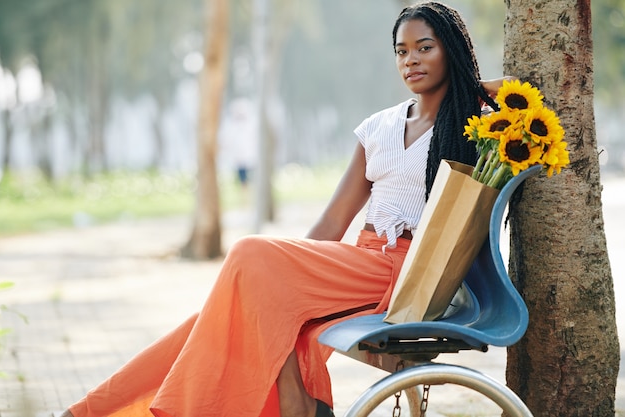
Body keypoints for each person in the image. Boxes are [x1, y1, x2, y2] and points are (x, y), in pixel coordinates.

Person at [62, 2, 512, 416]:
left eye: (425, 48)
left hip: (413, 271)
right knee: (227, 313)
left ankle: (288, 406)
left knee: (248, 256)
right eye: (401, 51)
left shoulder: (478, 123)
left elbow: (527, 92)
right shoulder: (379, 127)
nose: (410, 60)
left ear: (450, 50)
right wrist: (287, 272)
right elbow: (334, 222)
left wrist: (476, 86)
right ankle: (90, 411)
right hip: (362, 261)